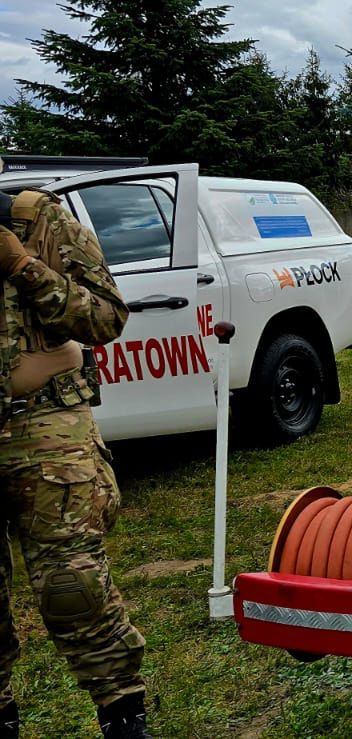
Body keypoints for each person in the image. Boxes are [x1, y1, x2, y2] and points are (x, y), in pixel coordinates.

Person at [0, 189, 149, 738]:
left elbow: (106, 319)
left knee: (73, 588)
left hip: (43, 428)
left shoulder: (37, 220)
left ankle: (122, 717)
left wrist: (23, 266)